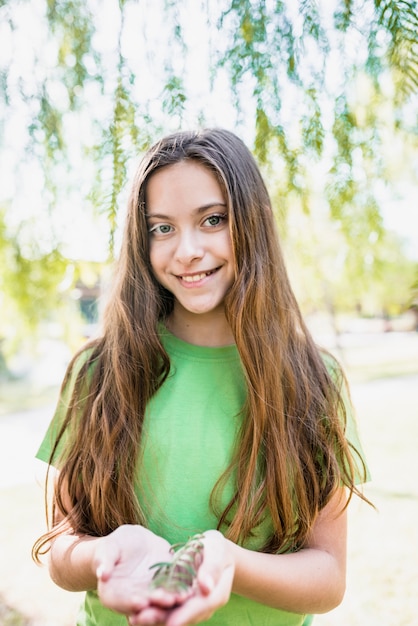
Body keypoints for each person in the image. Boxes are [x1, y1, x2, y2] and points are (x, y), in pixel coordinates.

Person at [33, 128, 371, 626]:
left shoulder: (314, 379)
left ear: (250, 224)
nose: (186, 250)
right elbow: (62, 550)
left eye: (212, 220)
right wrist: (103, 556)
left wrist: (229, 562)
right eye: (161, 228)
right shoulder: (99, 373)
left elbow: (327, 578)